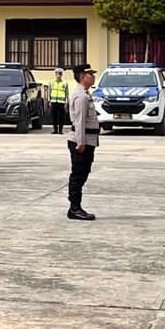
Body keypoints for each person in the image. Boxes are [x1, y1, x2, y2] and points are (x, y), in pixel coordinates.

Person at [67, 67, 99, 221]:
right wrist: (81, 142)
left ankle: (75, 207)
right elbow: (79, 121)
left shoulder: (85, 94)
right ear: (82, 77)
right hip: (81, 141)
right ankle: (74, 208)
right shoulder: (81, 96)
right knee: (78, 175)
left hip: (88, 140)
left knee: (82, 173)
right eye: (90, 75)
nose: (93, 77)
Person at [48, 68, 70, 134]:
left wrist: (66, 102)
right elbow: (49, 92)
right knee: (54, 117)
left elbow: (67, 93)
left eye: (60, 74)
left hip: (62, 102)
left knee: (61, 117)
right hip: (53, 101)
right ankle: (55, 129)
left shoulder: (65, 83)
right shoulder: (51, 82)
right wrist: (49, 101)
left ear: (62, 74)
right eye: (57, 73)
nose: (59, 75)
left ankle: (60, 130)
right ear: (55, 74)